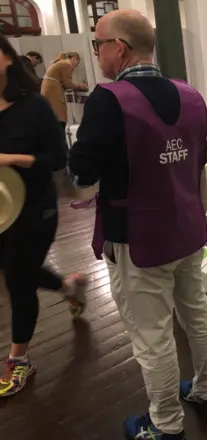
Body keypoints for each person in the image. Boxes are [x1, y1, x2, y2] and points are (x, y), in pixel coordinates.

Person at [68, 9, 207, 440]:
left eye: (99, 44)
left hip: (137, 238)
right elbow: (198, 156)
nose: (96, 52)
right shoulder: (190, 95)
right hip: (188, 227)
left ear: (120, 47)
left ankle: (166, 425)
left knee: (152, 335)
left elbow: (82, 174)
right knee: (198, 312)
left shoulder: (108, 99)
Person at [0, 34, 87, 398]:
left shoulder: (33, 106)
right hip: (1, 212)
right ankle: (68, 287)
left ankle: (19, 359)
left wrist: (12, 159)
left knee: (18, 280)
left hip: (36, 207)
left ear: (6, 59)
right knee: (16, 269)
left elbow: (57, 159)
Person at [40, 52, 88, 136]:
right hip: (53, 91)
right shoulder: (66, 64)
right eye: (77, 63)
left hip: (48, 89)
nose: (75, 67)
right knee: (59, 115)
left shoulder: (59, 63)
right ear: (73, 58)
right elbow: (68, 84)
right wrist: (81, 86)